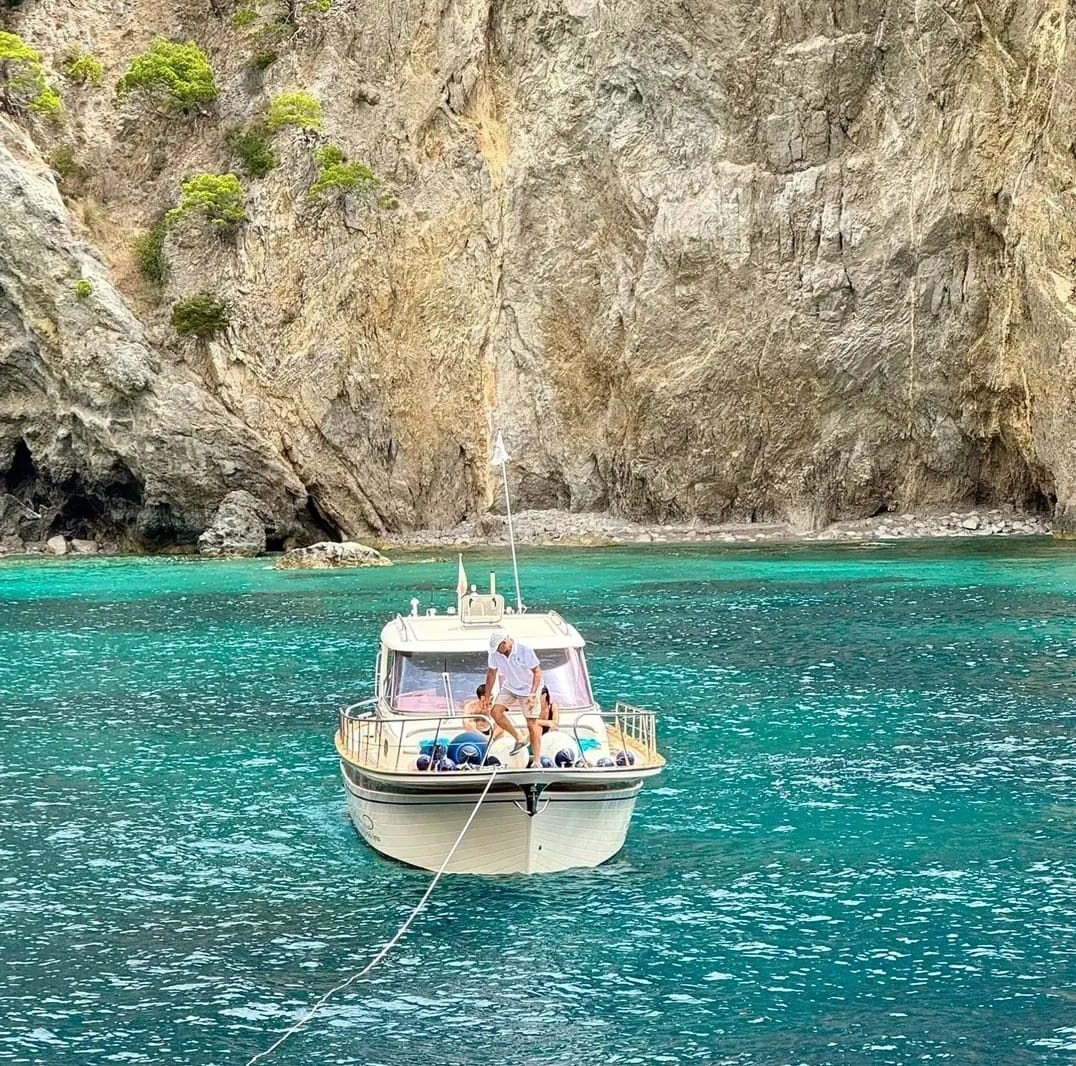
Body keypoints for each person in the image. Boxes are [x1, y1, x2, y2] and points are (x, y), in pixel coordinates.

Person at [482, 627, 541, 758]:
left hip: (528, 689)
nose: (498, 652)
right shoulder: (495, 653)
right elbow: (491, 673)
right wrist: (487, 697)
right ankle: (519, 738)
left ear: (505, 642)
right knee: (495, 712)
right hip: (510, 686)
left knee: (531, 724)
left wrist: (532, 695)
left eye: (499, 648)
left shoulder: (524, 649)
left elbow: (537, 672)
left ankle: (537, 759)